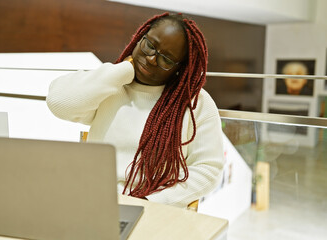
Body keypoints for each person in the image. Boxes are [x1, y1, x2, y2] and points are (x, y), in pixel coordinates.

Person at [47, 12, 224, 208]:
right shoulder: (111, 83)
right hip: (92, 200)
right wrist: (123, 70)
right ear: (139, 37)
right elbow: (59, 103)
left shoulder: (195, 103)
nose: (151, 59)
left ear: (178, 69)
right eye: (149, 45)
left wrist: (151, 202)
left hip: (151, 209)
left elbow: (209, 170)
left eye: (166, 59)